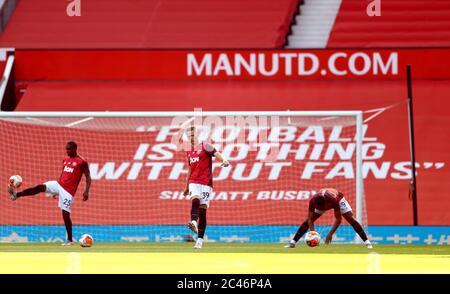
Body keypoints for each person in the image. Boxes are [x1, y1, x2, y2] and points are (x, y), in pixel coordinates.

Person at [7, 141, 91, 246]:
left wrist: (86, 191)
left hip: (68, 191)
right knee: (40, 187)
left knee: (65, 214)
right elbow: (63, 174)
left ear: (75, 149)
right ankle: (17, 195)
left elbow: (88, 177)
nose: (67, 151)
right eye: (66, 149)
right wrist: (55, 192)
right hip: (59, 184)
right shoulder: (65, 160)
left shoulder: (82, 162)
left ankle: (69, 240)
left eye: (69, 149)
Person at [182, 126, 230, 249]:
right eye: (189, 136)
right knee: (195, 199)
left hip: (206, 183)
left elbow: (217, 153)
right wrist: (186, 186)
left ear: (196, 134)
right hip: (194, 181)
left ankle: (200, 240)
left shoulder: (205, 146)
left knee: (202, 211)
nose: (191, 138)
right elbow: (189, 169)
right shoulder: (189, 151)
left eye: (192, 135)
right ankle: (193, 222)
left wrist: (224, 160)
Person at [285, 188, 373, 249]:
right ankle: (292, 242)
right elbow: (310, 219)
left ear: (326, 203)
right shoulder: (313, 201)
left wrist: (330, 234)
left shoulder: (334, 200)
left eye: (322, 207)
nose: (321, 209)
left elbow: (338, 219)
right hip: (323, 200)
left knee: (350, 218)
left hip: (339, 198)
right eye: (318, 207)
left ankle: (367, 242)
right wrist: (313, 234)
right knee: (306, 221)